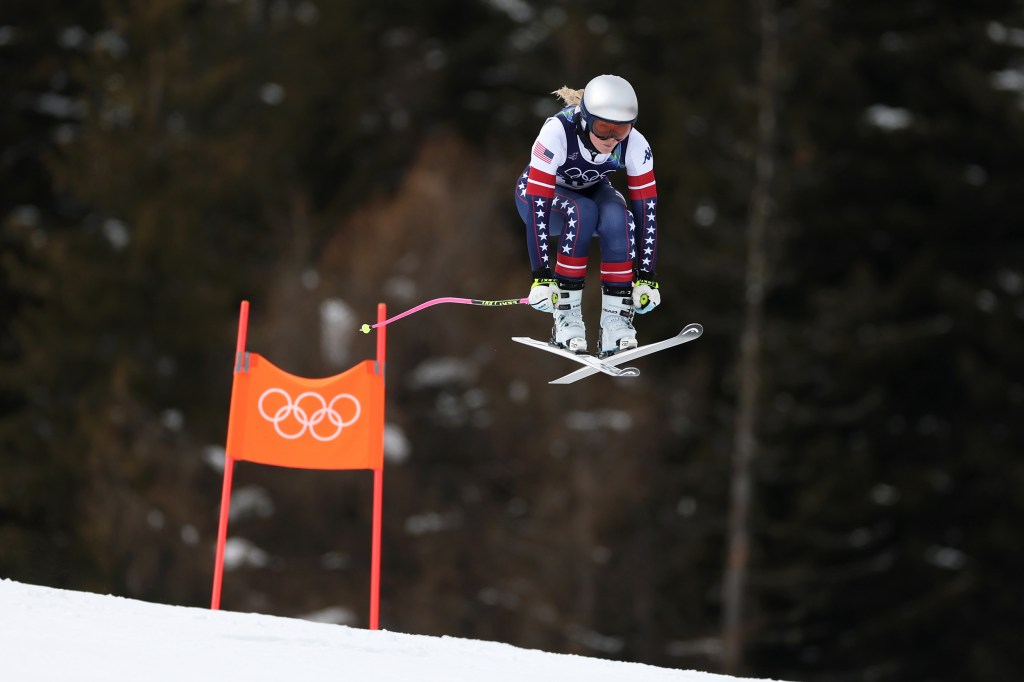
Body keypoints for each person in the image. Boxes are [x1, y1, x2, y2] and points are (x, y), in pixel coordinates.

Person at [514, 74, 662, 357]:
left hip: (591, 189)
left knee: (620, 216)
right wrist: (541, 277)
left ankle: (615, 322)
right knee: (582, 211)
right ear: (584, 119)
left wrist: (646, 277)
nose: (611, 139)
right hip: (538, 198)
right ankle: (566, 318)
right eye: (603, 128)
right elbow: (538, 205)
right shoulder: (557, 132)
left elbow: (648, 210)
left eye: (621, 130)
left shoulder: (636, 144)